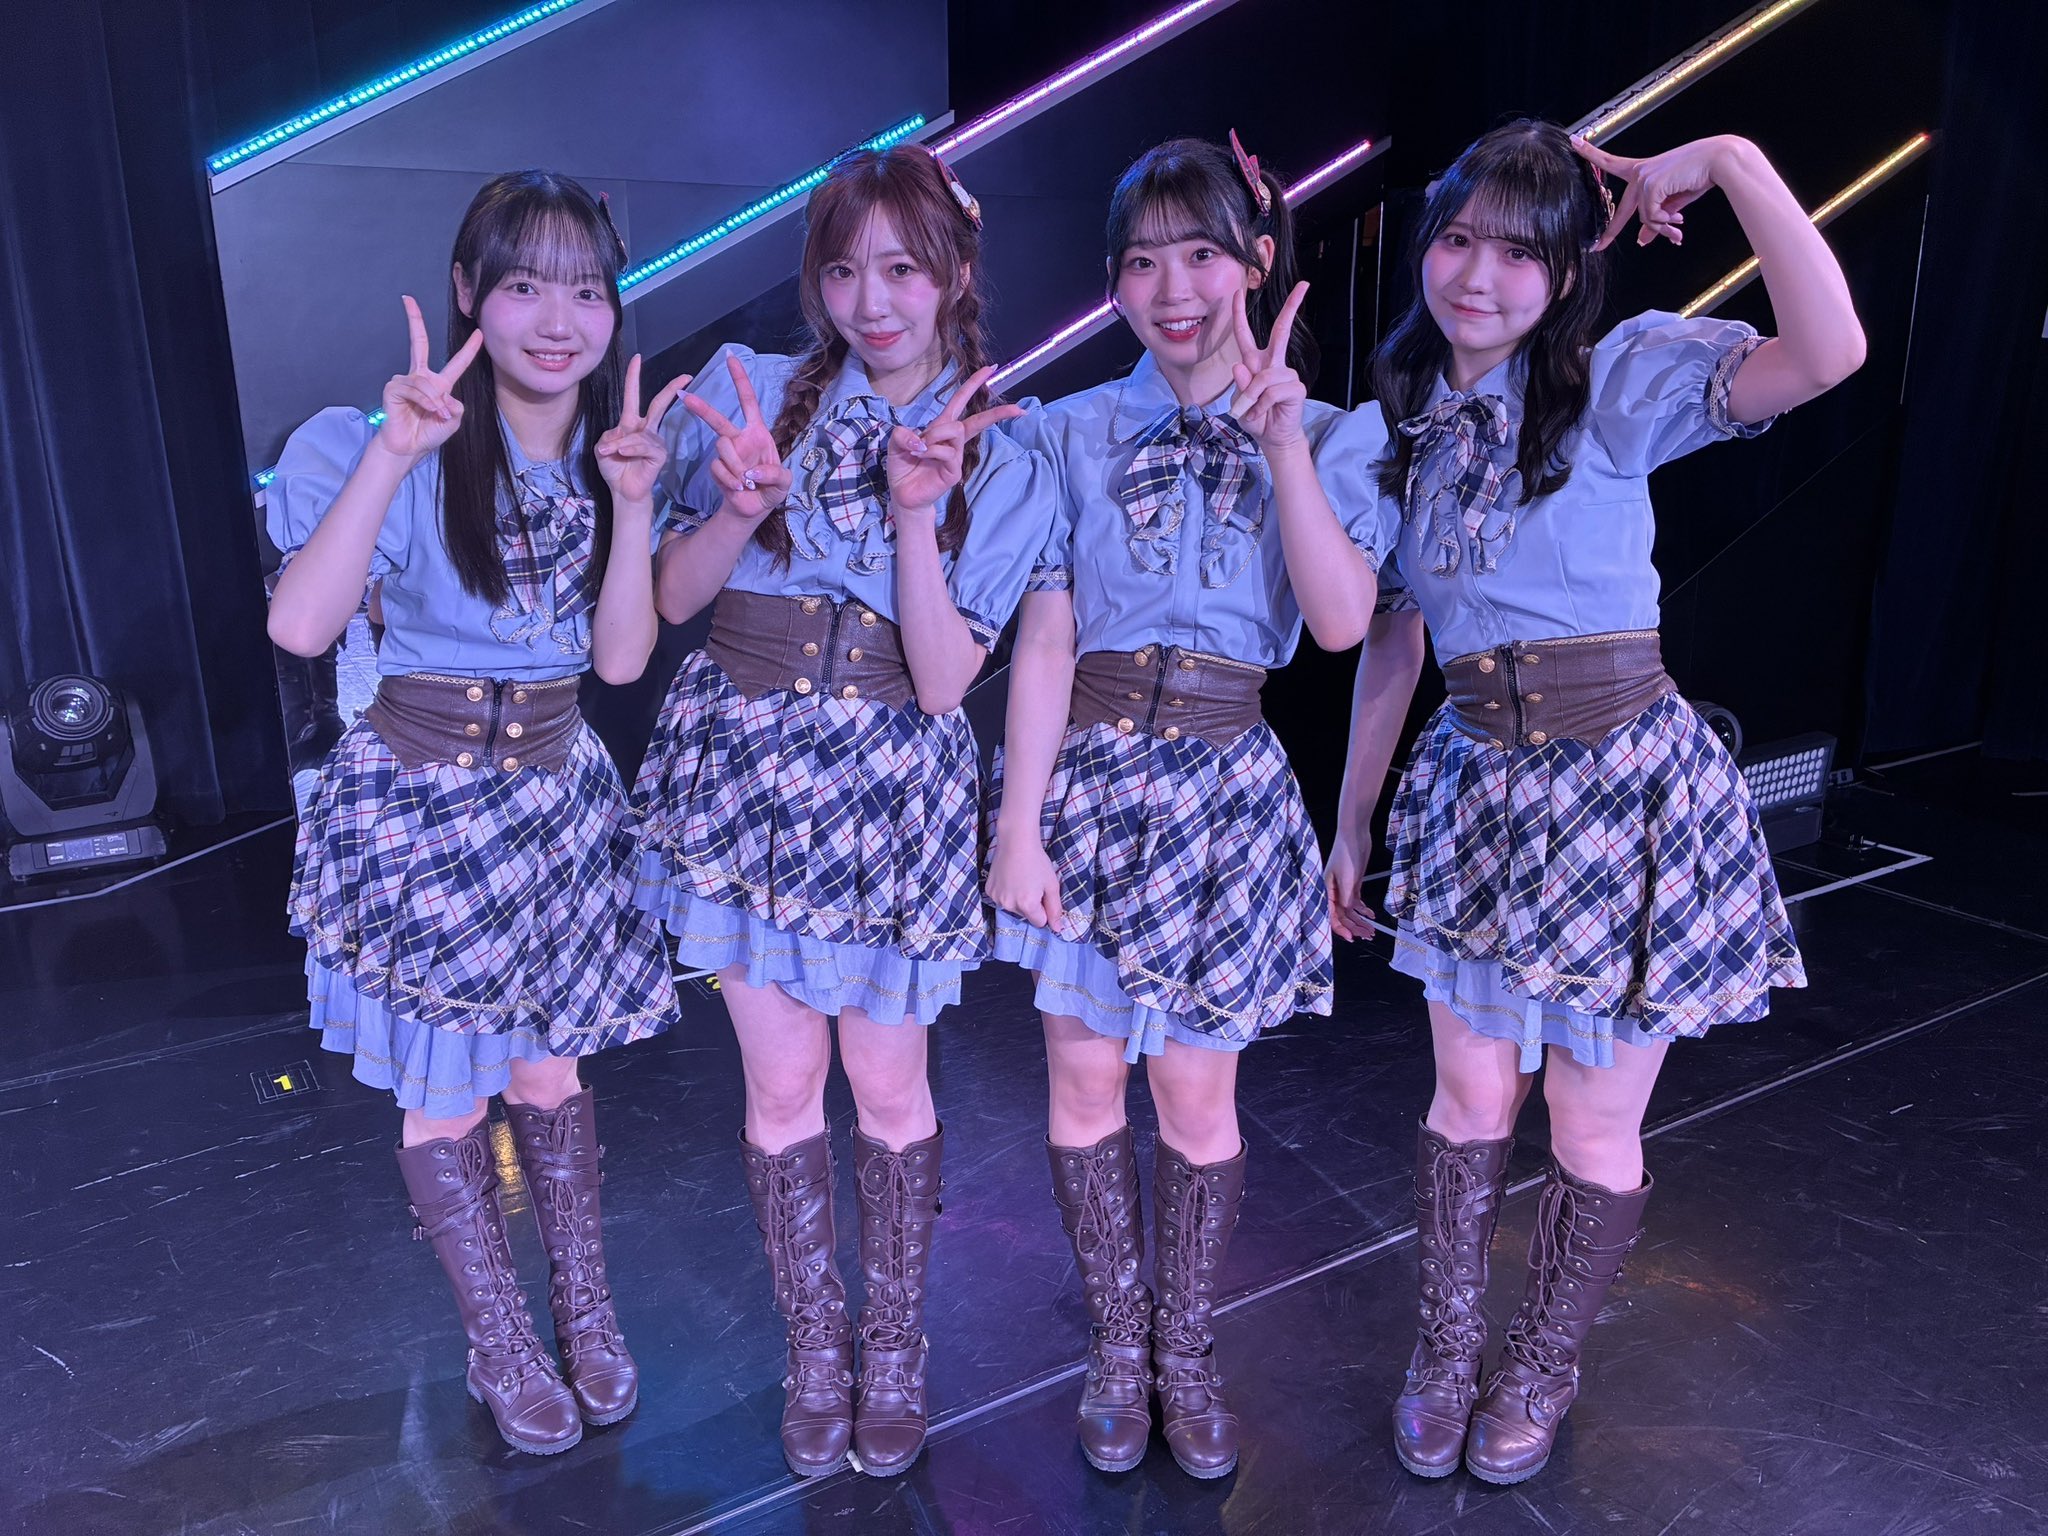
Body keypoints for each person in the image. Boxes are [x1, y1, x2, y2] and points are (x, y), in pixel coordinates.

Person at [1325, 120, 1864, 1485]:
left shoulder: (1616, 383)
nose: (1478, 275)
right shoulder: (1395, 429)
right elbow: (1389, 639)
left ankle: (1540, 1363)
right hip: (1474, 788)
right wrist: (1352, 817)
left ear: (1567, 275)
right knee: (1466, 1099)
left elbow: (1828, 353)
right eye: (1459, 239)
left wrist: (1733, 162)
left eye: (1520, 252)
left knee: (1588, 1120)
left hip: (1625, 788)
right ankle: (1447, 1349)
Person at [623, 146, 1047, 1478]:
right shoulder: (748, 393)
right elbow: (673, 600)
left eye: (904, 269)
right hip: (741, 768)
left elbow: (944, 680)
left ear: (956, 275)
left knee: (887, 1081)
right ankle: (817, 1350)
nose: (873, 300)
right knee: (781, 1081)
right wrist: (737, 507)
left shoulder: (1004, 446)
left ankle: (895, 1348)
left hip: (885, 787)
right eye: (846, 270)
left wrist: (919, 516)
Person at [985, 134, 1384, 1480]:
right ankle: (1117, 1345)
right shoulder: (1067, 431)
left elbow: (1339, 623)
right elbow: (1046, 637)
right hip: (1092, 778)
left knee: (1196, 1096)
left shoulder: (1332, 434)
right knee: (1083, 1077)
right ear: (1113, 281)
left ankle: (1187, 1348)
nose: (1172, 290)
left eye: (1202, 255)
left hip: (1222, 783)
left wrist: (1282, 451)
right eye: (1142, 262)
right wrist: (1016, 826)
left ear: (1257, 263)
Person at [266, 171, 682, 1456]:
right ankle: (498, 1338)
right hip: (423, 798)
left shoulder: (615, 457)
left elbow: (621, 662)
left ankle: (583, 1310)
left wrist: (630, 505)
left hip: (556, 797)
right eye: (523, 286)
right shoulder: (382, 439)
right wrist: (395, 453)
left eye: (585, 291)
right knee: (447, 1092)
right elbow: (300, 626)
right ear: (467, 292)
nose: (557, 320)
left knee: (550, 1071)